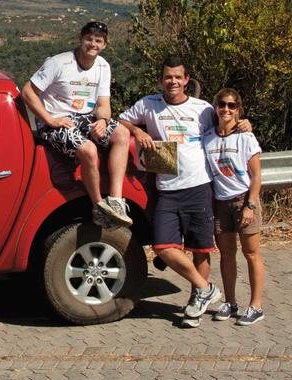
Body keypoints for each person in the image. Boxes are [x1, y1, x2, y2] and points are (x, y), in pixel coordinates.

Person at [117, 56, 250, 328]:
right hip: (166, 189)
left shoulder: (203, 109)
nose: (173, 81)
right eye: (168, 77)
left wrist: (244, 124)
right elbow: (121, 121)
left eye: (178, 77)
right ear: (161, 80)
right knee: (163, 247)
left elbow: (227, 123)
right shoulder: (148, 104)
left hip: (199, 187)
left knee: (200, 249)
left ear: (186, 80)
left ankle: (196, 303)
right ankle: (205, 288)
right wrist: (137, 131)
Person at [21, 21, 132, 228]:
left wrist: (103, 120)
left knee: (122, 134)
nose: (93, 44)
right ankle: (98, 206)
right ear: (81, 39)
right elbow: (27, 92)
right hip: (56, 121)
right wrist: (49, 119)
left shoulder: (103, 66)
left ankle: (116, 201)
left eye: (98, 41)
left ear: (105, 44)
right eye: (89, 39)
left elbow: (103, 105)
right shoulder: (59, 63)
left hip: (85, 118)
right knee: (88, 150)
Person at [203, 88, 265, 325]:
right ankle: (230, 302)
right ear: (215, 107)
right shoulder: (207, 137)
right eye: (222, 104)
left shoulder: (246, 137)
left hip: (243, 200)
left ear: (238, 109)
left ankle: (256, 306)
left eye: (231, 105)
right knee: (227, 255)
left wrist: (249, 206)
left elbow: (257, 177)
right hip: (220, 202)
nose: (226, 109)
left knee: (251, 253)